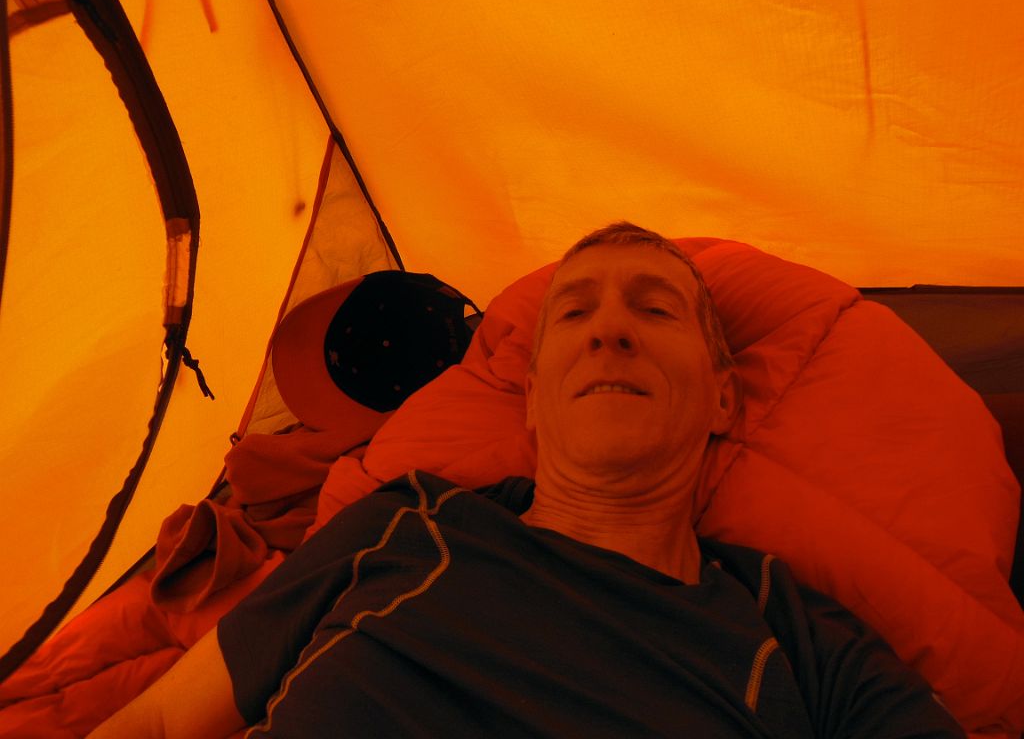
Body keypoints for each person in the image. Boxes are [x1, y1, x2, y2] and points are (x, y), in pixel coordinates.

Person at [89, 223, 965, 738]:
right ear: (537, 400)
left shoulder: (795, 636)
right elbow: (163, 724)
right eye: (575, 313)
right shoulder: (407, 524)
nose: (608, 332)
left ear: (724, 397)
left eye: (654, 310)